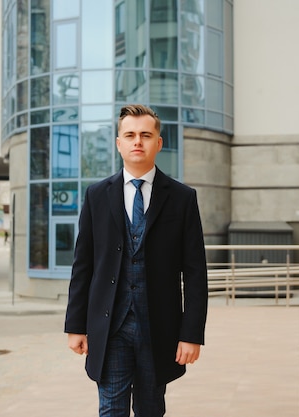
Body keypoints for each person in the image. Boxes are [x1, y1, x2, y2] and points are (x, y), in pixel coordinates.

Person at [64, 104, 208, 416]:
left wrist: (191, 334)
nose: (137, 141)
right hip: (110, 326)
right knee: (111, 408)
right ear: (119, 143)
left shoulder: (183, 198)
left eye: (145, 134)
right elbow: (83, 265)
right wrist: (75, 325)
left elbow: (196, 272)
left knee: (151, 408)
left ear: (159, 142)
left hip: (159, 328)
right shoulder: (96, 196)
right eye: (129, 135)